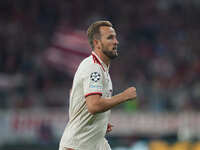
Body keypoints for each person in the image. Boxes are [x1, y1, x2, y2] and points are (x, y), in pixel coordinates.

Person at [59, 20, 137, 150]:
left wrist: (99, 122)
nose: (116, 42)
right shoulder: (93, 68)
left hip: (94, 143)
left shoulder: (100, 68)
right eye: (110, 38)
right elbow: (94, 105)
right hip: (78, 146)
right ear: (97, 43)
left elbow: (78, 98)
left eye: (115, 37)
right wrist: (124, 96)